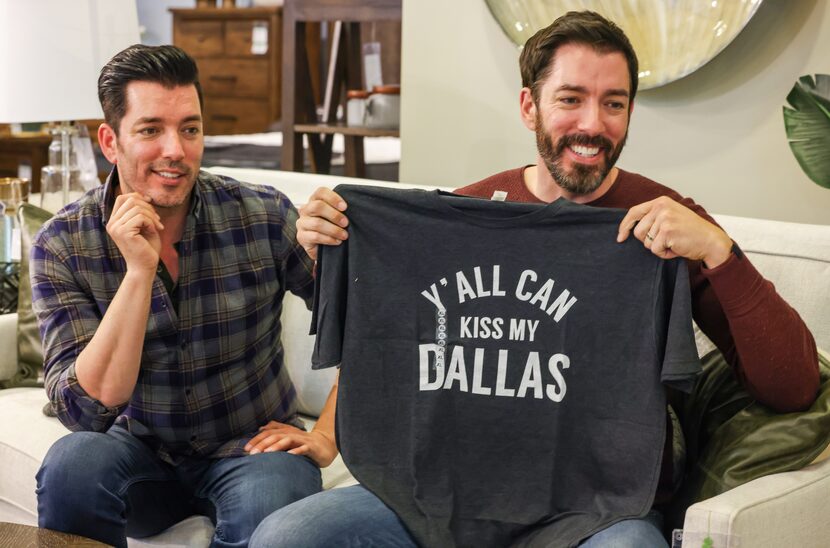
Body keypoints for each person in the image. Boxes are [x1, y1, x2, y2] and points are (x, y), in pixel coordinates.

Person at [249, 10, 820, 548]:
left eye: (613, 103)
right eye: (570, 99)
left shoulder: (663, 224)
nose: (592, 124)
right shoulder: (463, 216)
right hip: (438, 499)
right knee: (286, 536)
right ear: (530, 106)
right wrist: (338, 252)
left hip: (597, 510)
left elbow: (793, 387)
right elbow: (392, 353)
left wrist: (720, 251)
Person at [30, 44, 338, 548]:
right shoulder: (64, 244)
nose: (175, 149)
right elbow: (85, 413)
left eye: (190, 129)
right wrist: (138, 272)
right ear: (110, 141)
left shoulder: (263, 216)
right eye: (151, 130)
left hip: (254, 448)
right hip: (137, 453)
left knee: (272, 502)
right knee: (71, 466)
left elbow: (369, 323)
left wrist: (326, 433)